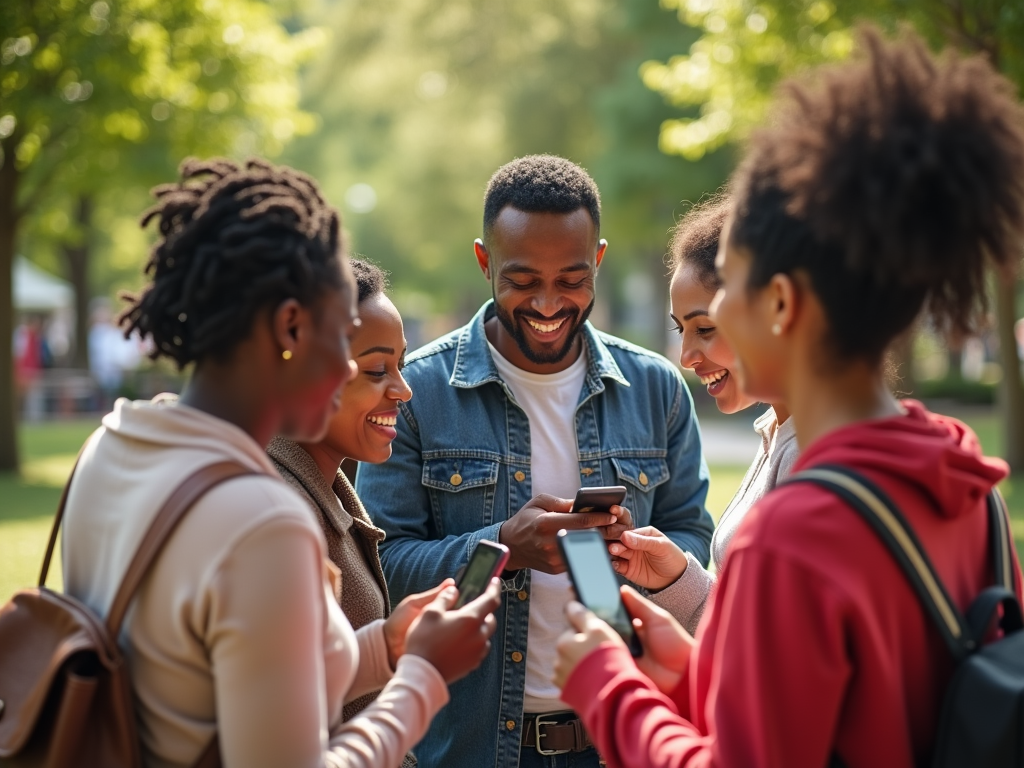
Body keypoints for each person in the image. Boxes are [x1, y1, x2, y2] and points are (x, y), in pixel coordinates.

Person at [554, 28, 1024, 768]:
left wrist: (608, 688)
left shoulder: (793, 534)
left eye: (729, 286)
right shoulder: (970, 489)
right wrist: (700, 676)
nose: (710, 329)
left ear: (780, 302)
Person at [61, 157, 500, 768]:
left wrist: (385, 648)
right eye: (342, 333)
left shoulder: (113, 443)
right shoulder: (265, 521)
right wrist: (423, 678)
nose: (352, 369)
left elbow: (209, 684)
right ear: (293, 327)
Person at [357, 154, 714, 768]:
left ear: (598, 260)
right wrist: (501, 547)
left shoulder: (657, 388)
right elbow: (382, 573)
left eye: (572, 280)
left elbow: (691, 538)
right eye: (523, 281)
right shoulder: (417, 393)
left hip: (616, 740)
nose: (549, 305)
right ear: (483, 260)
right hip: (470, 749)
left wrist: (648, 560)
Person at [608, 196, 798, 634]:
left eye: (706, 329)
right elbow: (747, 629)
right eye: (680, 330)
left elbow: (777, 659)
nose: (686, 357)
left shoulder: (815, 456)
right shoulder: (776, 432)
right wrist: (678, 578)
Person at [266, 259, 416, 732]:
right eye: (376, 370)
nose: (404, 390)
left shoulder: (327, 484)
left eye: (401, 364)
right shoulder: (279, 512)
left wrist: (391, 640)